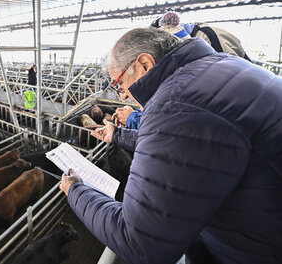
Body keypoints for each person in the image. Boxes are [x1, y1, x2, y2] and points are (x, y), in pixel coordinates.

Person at [59, 27, 282, 264]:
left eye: (119, 84)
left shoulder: (173, 103)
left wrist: (76, 191)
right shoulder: (223, 65)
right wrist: (117, 136)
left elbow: (140, 243)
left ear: (144, 64)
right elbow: (183, 146)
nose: (122, 96)